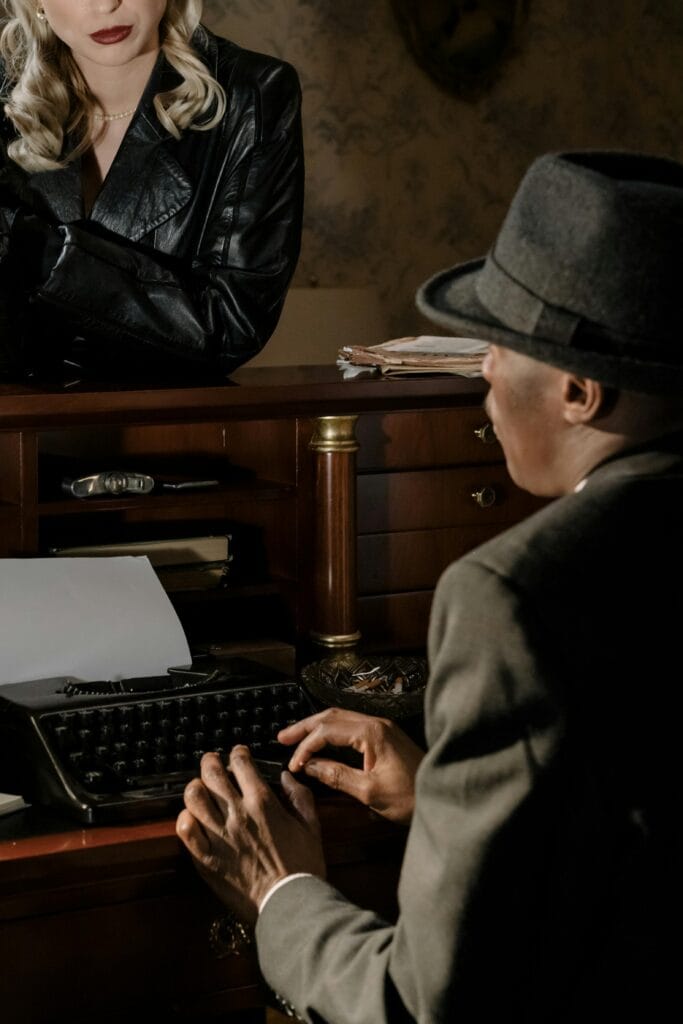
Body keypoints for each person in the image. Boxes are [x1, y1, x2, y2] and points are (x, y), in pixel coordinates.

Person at [176, 150, 683, 1023]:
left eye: (499, 345)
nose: (482, 371)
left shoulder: (513, 594)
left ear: (578, 391)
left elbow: (423, 1003)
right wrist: (446, 802)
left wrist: (279, 889)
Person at [0, 0, 303, 380]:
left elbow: (231, 327)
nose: (105, 5)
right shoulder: (5, 94)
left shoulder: (254, 92)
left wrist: (40, 252)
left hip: (167, 410)